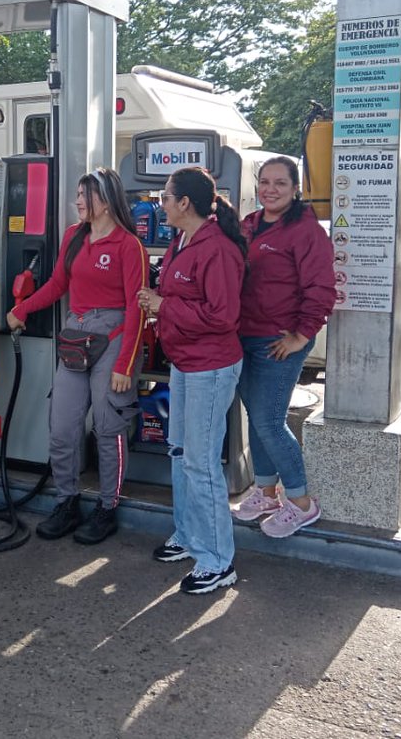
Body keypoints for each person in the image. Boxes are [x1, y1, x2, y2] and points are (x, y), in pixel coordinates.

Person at [6, 167, 147, 544]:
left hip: (113, 337)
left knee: (108, 426)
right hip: (76, 334)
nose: (79, 201)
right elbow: (57, 284)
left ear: (106, 200)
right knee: (62, 427)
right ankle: (67, 501)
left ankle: (107, 507)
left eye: (85, 195)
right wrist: (23, 309)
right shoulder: (73, 236)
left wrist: (125, 364)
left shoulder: (128, 245)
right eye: (79, 195)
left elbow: (137, 309)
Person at [137, 168, 247, 595]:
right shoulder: (184, 241)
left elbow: (222, 317)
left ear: (184, 203)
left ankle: (218, 560)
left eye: (165, 197)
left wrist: (163, 306)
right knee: (181, 451)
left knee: (200, 463)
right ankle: (188, 535)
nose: (160, 204)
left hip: (210, 367)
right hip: (186, 363)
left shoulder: (215, 249)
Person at [234, 157, 336, 538]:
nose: (270, 189)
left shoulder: (306, 233)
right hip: (242, 336)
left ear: (296, 189)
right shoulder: (249, 225)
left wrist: (300, 335)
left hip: (278, 342)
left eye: (280, 183)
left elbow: (322, 289)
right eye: (264, 182)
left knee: (269, 422)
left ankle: (302, 503)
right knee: (255, 420)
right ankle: (266, 492)